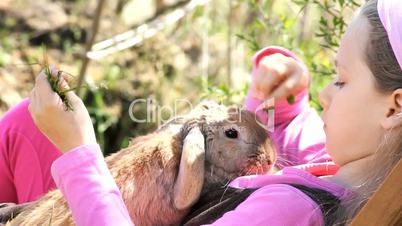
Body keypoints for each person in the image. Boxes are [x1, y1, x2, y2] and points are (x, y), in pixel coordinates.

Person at [23, 0, 402, 225]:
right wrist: (284, 104)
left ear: (394, 106)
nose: (325, 91)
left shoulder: (286, 211)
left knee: (22, 125)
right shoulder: (362, 176)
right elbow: (305, 155)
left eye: (341, 79)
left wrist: (80, 154)